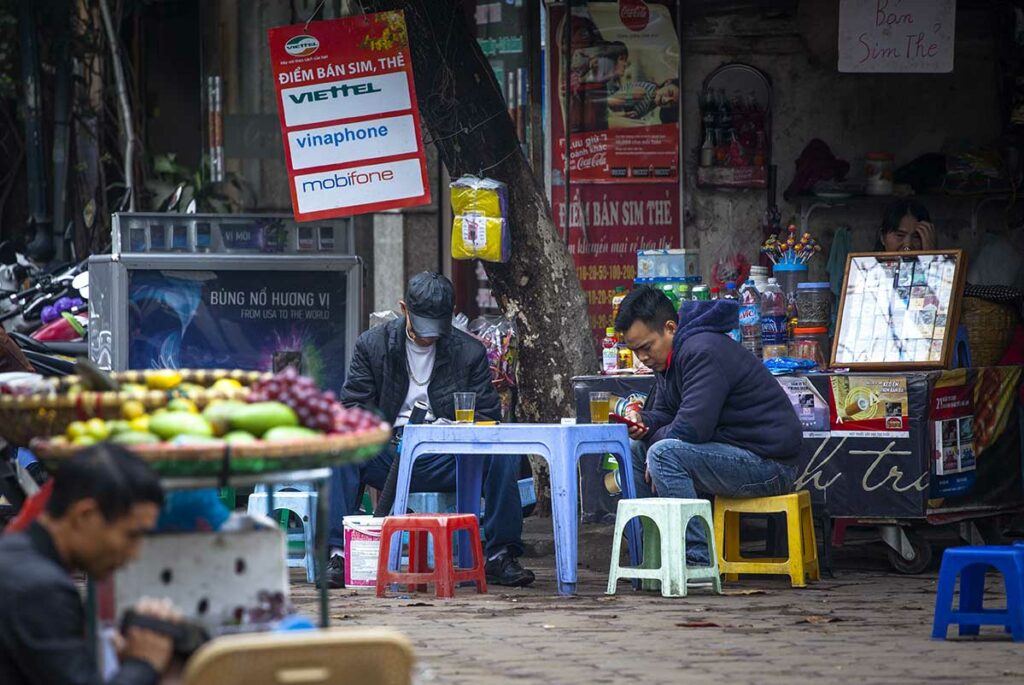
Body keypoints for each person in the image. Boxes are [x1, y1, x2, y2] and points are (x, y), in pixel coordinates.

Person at [323, 272, 534, 589]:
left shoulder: (469, 352)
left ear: (450, 316)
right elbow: (352, 406)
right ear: (404, 308)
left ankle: (499, 554)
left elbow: (489, 414)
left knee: (500, 451)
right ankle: (340, 554)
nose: (428, 337)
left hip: (448, 456)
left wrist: (454, 427)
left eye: (437, 328)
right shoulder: (372, 345)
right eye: (422, 327)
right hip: (389, 453)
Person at [614, 286, 803, 566]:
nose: (642, 357)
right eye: (634, 350)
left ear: (670, 328)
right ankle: (651, 557)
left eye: (646, 347)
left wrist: (657, 440)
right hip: (729, 453)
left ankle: (696, 560)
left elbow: (692, 428)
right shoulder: (671, 358)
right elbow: (667, 413)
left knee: (663, 454)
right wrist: (645, 423)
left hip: (770, 465)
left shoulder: (702, 351)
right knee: (635, 447)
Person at [0, 444, 182, 685]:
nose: (135, 554)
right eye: (131, 535)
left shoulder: (18, 556)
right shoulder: (41, 588)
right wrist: (143, 663)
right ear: (85, 515)